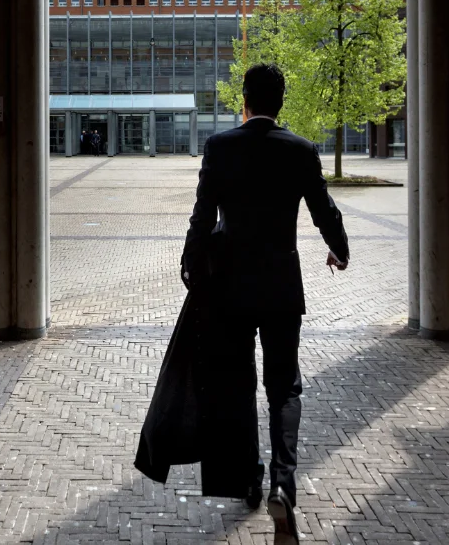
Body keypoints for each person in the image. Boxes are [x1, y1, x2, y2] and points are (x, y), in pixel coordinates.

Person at [135, 64, 348, 543]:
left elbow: (201, 214)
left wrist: (190, 265)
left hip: (229, 288)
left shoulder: (220, 147)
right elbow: (323, 210)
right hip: (280, 288)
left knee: (236, 385)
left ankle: (250, 477)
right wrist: (341, 248)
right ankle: (283, 484)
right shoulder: (300, 150)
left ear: (244, 102)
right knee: (284, 387)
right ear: (281, 103)